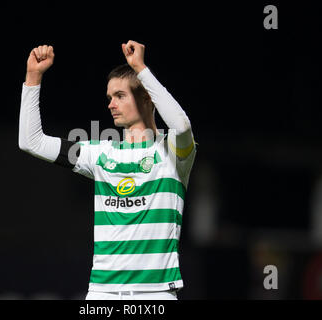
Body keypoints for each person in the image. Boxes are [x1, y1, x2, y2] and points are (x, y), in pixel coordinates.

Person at [19, 40, 196, 300]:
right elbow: (31, 141)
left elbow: (181, 126)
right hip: (102, 293)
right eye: (109, 98)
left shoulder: (173, 152)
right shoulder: (100, 153)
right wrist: (33, 77)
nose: (110, 104)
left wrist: (141, 68)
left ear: (147, 98)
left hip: (156, 293)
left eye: (120, 96)